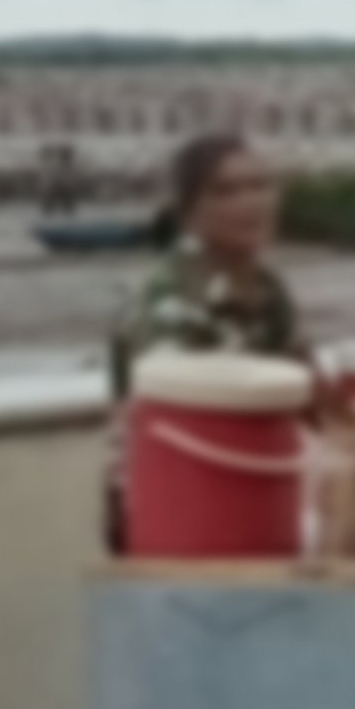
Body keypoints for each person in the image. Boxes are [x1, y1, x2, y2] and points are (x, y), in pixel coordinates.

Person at [107, 135, 305, 549]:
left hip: (260, 485)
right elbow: (184, 419)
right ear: (190, 210)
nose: (251, 203)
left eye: (260, 186)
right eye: (225, 191)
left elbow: (307, 388)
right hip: (182, 505)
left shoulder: (268, 288)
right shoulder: (170, 298)